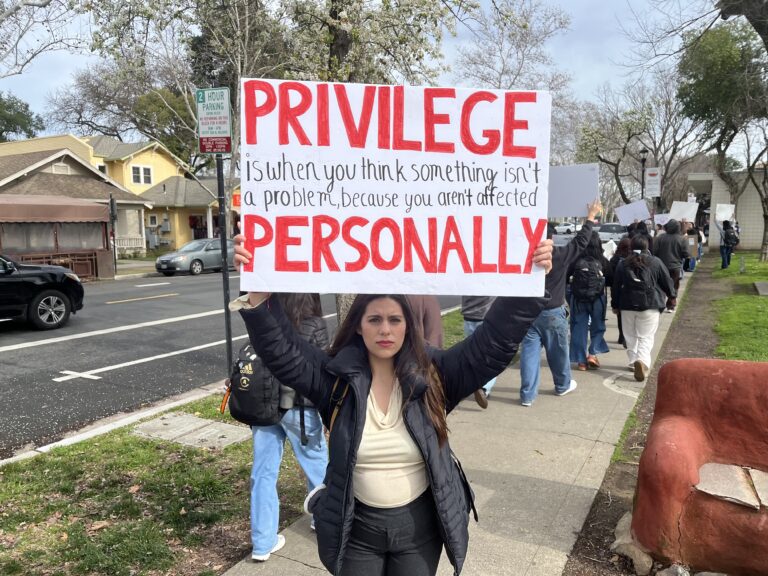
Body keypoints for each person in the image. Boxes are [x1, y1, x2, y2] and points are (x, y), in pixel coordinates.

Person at [231, 236, 554, 576]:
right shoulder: (335, 377)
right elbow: (284, 353)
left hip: (419, 531)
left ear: (407, 326)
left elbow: (492, 346)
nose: (385, 329)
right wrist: (259, 295)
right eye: (375, 320)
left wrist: (527, 283)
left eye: (395, 320)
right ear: (359, 324)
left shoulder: (435, 374)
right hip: (356, 529)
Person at [249, 293, 330, 562]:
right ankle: (324, 521)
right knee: (318, 466)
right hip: (301, 408)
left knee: (263, 473)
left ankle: (262, 543)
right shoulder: (314, 323)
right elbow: (323, 365)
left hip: (265, 407)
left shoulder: (266, 318)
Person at [518, 199, 602, 407]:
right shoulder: (560, 255)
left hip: (528, 312)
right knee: (558, 352)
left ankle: (528, 395)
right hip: (553, 311)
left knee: (529, 352)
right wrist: (590, 217)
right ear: (550, 239)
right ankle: (562, 384)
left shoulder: (522, 257)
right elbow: (581, 241)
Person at [611, 236, 675, 382]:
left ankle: (633, 361)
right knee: (646, 336)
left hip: (627, 305)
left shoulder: (623, 263)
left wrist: (615, 305)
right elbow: (666, 281)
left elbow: (616, 286)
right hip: (650, 304)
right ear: (647, 246)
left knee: (630, 335)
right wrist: (672, 296)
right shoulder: (655, 262)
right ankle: (642, 361)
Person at [568, 231, 611, 371]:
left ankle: (581, 361)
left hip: (578, 299)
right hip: (598, 298)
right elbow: (610, 280)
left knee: (578, 327)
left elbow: (566, 279)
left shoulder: (575, 260)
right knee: (598, 327)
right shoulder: (603, 261)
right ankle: (592, 354)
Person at [460, 296, 496, 408]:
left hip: (469, 316)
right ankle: (484, 387)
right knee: (492, 356)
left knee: (472, 354)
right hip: (486, 316)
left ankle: (469, 383)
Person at [651, 219, 689, 313]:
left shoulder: (660, 238)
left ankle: (660, 303)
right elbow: (686, 254)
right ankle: (671, 304)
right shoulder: (682, 239)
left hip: (661, 265)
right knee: (674, 285)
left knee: (660, 285)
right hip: (675, 266)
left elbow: (654, 251)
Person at [609, 237, 632, 348]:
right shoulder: (632, 259)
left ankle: (621, 336)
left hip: (617, 289)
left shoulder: (615, 259)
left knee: (620, 316)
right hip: (629, 290)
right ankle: (627, 337)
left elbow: (609, 274)